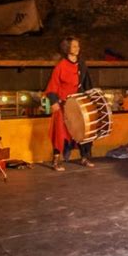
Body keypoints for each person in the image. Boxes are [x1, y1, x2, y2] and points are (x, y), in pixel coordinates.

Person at [44, 36, 95, 171]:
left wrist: (91, 97)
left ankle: (84, 157)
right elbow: (52, 86)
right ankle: (56, 161)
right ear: (67, 48)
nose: (77, 49)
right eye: (74, 46)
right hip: (63, 104)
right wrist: (54, 102)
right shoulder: (61, 66)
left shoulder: (82, 64)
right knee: (60, 132)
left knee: (83, 129)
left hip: (78, 103)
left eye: (78, 46)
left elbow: (87, 83)